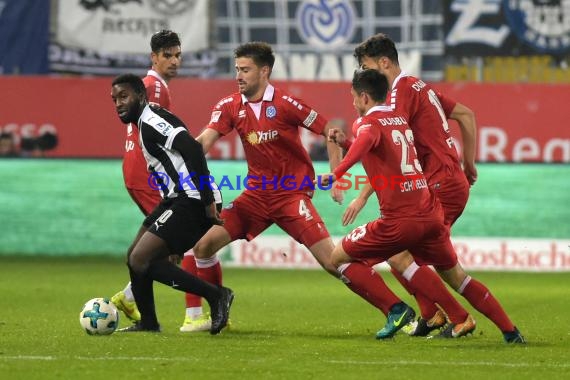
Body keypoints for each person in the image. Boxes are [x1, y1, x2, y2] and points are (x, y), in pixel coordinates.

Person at [321, 69, 524, 343]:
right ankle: (510, 331)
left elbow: (367, 139)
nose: (353, 103)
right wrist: (345, 142)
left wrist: (337, 173)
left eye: (354, 98)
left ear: (364, 97)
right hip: (430, 213)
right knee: (457, 276)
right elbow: (376, 147)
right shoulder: (400, 120)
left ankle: (405, 311)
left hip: (399, 219)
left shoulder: (366, 123)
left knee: (338, 258)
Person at [189, 42, 350, 322]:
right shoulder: (229, 106)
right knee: (203, 246)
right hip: (255, 198)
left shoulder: (287, 104)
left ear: (264, 71)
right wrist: (180, 160)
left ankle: (394, 307)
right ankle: (216, 306)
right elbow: (204, 140)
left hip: (291, 195)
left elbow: (330, 131)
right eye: (236, 69)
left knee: (333, 262)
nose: (238, 76)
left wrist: (336, 175)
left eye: (245, 70)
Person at [110, 73, 233, 334]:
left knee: (144, 259)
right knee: (134, 258)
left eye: (124, 96)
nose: (118, 103)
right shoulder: (143, 121)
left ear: (140, 96)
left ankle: (216, 295)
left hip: (194, 198)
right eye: (114, 99)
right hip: (176, 198)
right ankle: (149, 322)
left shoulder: (151, 120)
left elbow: (193, 149)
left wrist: (208, 201)